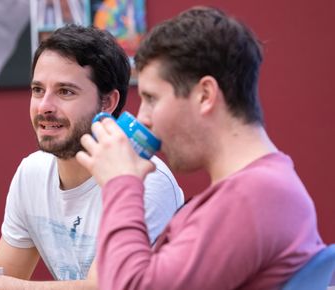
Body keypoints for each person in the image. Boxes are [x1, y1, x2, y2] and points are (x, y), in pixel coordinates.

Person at [0, 24, 184, 289]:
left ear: (108, 103)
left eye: (65, 92)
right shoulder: (32, 173)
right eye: (37, 90)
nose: (44, 106)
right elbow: (5, 279)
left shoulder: (144, 180)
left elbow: (104, 286)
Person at [75, 6, 325, 290]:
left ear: (205, 95)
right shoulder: (260, 187)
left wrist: (120, 183)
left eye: (152, 98)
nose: (142, 117)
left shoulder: (252, 196)